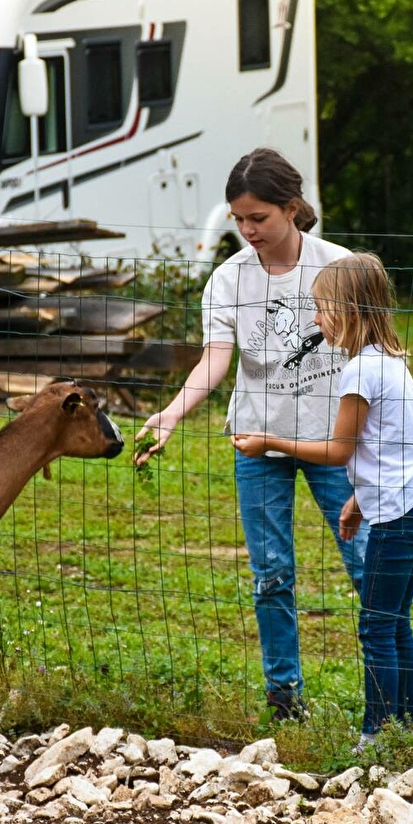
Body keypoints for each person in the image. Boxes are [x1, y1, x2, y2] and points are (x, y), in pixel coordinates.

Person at [132, 147, 369, 721]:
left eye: (258, 217)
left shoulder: (339, 268)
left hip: (333, 443)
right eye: (238, 219)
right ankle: (284, 696)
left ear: (291, 208)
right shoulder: (228, 278)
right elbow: (216, 358)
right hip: (256, 443)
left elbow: (371, 355)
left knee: (368, 564)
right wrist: (173, 413)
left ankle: (401, 692)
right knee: (272, 574)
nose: (246, 229)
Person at [232, 252, 413, 748]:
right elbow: (387, 449)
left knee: (375, 628)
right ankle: (409, 725)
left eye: (322, 309)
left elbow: (338, 451)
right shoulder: (388, 361)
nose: (314, 319)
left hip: (398, 515)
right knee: (393, 622)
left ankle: (376, 737)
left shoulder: (358, 373)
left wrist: (270, 442)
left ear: (350, 310)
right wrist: (357, 502)